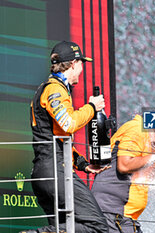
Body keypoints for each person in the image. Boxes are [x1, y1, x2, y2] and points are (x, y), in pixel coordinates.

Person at [25, 41, 109, 233]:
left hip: (49, 170)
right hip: (53, 171)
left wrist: (82, 164)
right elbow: (69, 123)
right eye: (81, 64)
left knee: (70, 229)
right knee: (98, 227)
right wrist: (92, 107)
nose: (82, 69)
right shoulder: (54, 89)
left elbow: (60, 136)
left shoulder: (55, 88)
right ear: (73, 64)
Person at [92, 113, 155, 233]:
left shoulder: (148, 140)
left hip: (124, 217)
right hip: (113, 213)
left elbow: (147, 176)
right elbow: (124, 166)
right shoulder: (136, 129)